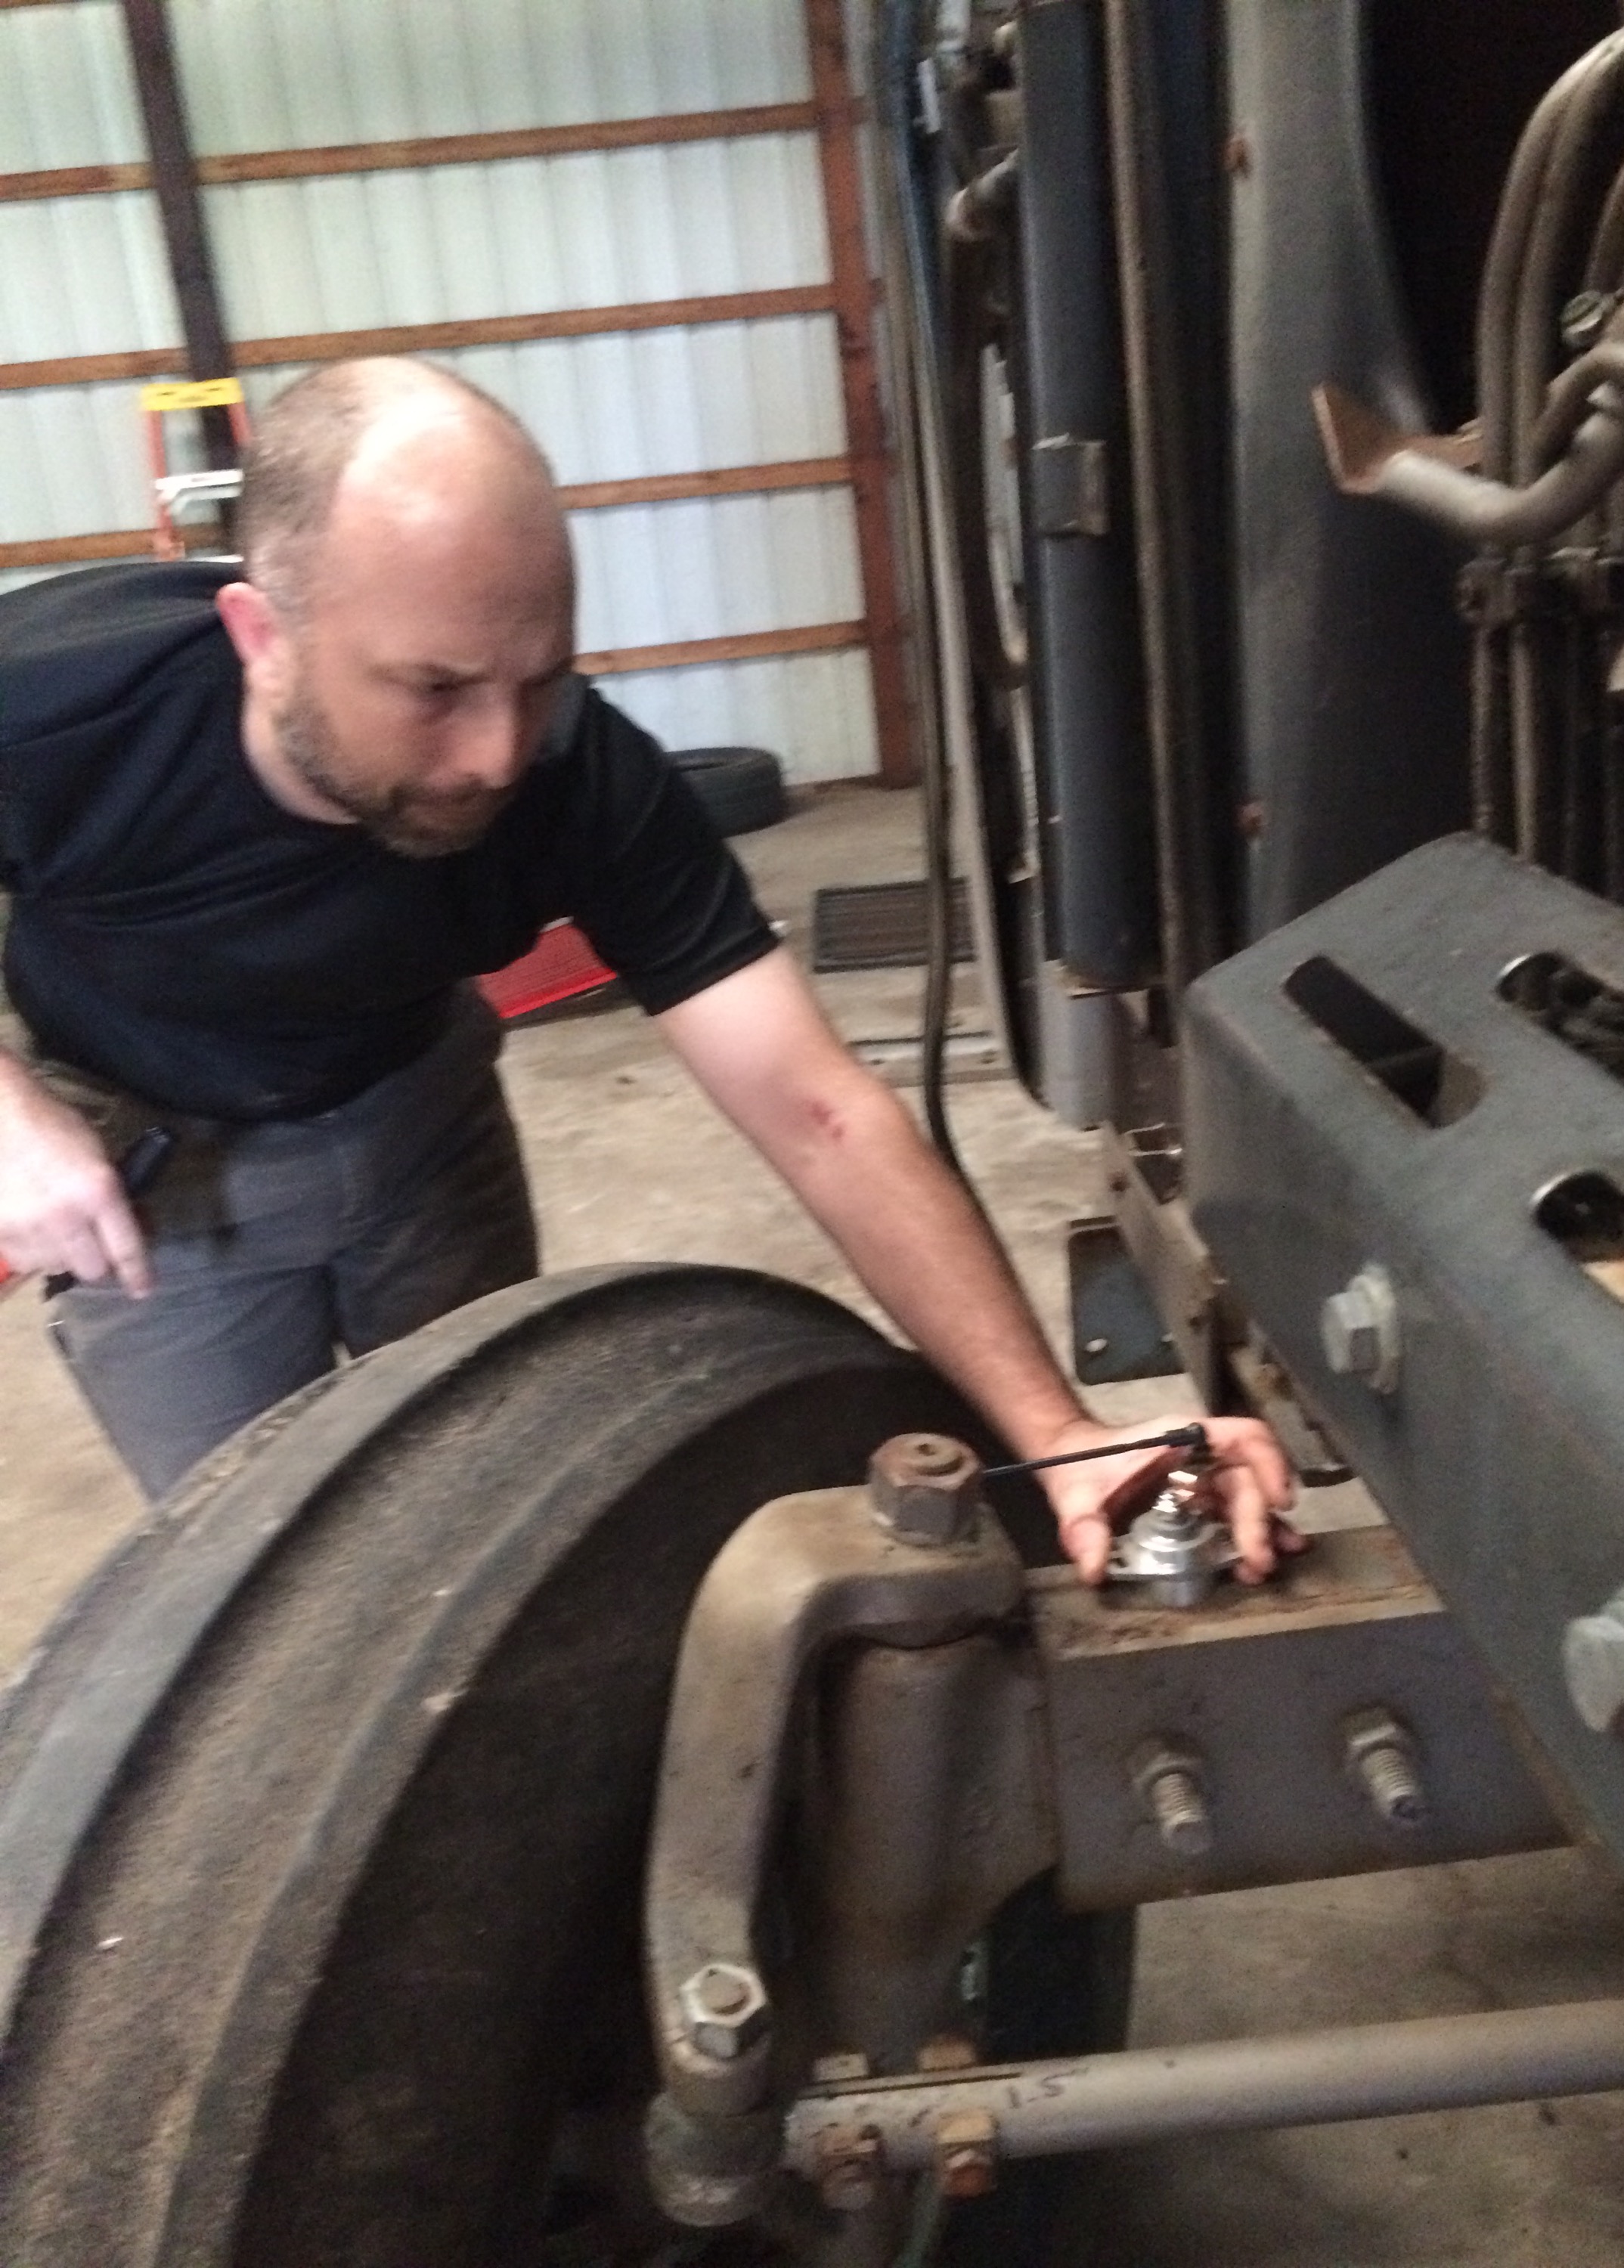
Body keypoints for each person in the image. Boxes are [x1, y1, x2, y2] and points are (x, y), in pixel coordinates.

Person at [0, 356, 1295, 1581]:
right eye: (435, 689)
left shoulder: (582, 772)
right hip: (165, 1198)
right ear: (259, 633)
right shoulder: (57, 705)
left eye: (538, 680)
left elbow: (821, 1109)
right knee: (251, 1584)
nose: (497, 756)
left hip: (422, 1123)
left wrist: (1059, 1436)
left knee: (477, 1526)